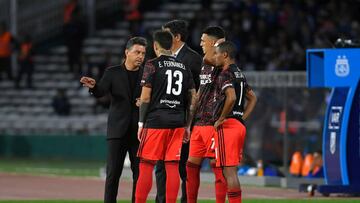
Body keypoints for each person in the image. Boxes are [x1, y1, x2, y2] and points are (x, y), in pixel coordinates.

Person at [80, 37, 147, 203]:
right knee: (113, 174)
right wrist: (94, 87)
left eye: (143, 53)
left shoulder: (147, 74)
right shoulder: (112, 72)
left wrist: (146, 102)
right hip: (117, 131)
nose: (140, 56)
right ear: (127, 52)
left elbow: (152, 98)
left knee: (139, 174)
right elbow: (101, 91)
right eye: (137, 52)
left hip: (139, 132)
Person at [135, 30, 196, 203]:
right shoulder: (184, 67)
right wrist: (187, 125)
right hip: (177, 123)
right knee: (172, 167)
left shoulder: (152, 65)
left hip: (156, 122)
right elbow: (194, 97)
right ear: (171, 45)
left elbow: (145, 97)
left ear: (155, 46)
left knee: (146, 165)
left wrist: (141, 123)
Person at [155, 19, 202, 203]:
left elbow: (198, 92)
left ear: (176, 37)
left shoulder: (193, 59)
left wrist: (191, 121)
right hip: (163, 120)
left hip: (183, 122)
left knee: (182, 167)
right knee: (161, 166)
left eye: (166, 34)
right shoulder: (163, 58)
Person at [186, 26, 228, 203]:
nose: (201, 43)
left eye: (204, 40)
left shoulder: (222, 61)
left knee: (217, 168)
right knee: (190, 167)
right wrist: (189, 123)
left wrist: (220, 44)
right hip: (198, 124)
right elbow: (200, 92)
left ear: (213, 42)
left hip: (213, 123)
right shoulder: (204, 64)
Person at [212, 41, 257, 203]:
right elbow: (253, 98)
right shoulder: (239, 73)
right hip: (238, 125)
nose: (214, 56)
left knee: (229, 171)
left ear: (224, 55)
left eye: (216, 53)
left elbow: (231, 97)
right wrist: (241, 118)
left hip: (228, 125)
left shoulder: (225, 73)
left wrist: (222, 118)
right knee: (231, 170)